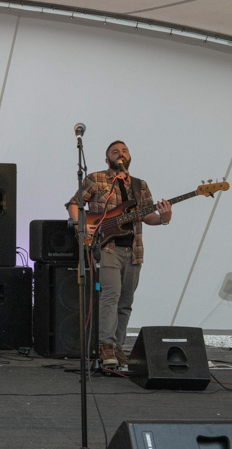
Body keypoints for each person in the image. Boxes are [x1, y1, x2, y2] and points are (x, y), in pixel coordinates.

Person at [66, 140, 172, 370]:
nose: (120, 153)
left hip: (134, 250)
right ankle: (105, 345)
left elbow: (147, 217)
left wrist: (164, 217)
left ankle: (118, 348)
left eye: (124, 150)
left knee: (126, 302)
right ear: (107, 159)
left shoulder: (139, 185)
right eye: (115, 151)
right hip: (107, 247)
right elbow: (74, 204)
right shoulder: (96, 178)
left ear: (130, 156)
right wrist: (80, 226)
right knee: (110, 296)